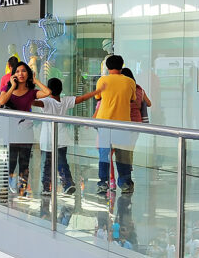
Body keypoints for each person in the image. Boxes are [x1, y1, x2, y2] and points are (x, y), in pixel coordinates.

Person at [35, 78, 96, 194]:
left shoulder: (46, 102)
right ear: (61, 89)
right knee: (62, 162)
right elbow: (82, 98)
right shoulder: (65, 101)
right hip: (62, 139)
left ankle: (46, 188)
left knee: (47, 165)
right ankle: (67, 183)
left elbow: (33, 101)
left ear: (48, 90)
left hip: (47, 140)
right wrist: (96, 92)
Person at [0, 61, 50, 197]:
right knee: (10, 159)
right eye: (17, 71)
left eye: (24, 71)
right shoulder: (7, 88)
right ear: (13, 74)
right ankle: (6, 186)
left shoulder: (32, 92)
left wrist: (36, 80)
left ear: (28, 74)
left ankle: (22, 188)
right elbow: (2, 101)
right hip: (11, 130)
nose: (20, 74)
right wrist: (12, 86)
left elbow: (48, 92)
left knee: (24, 160)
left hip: (27, 130)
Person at [94, 55, 137, 194]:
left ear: (107, 67)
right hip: (123, 123)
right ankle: (125, 183)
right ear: (121, 66)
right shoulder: (130, 82)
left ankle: (103, 183)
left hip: (104, 122)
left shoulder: (102, 80)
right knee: (123, 156)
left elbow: (98, 97)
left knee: (104, 155)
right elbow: (132, 99)